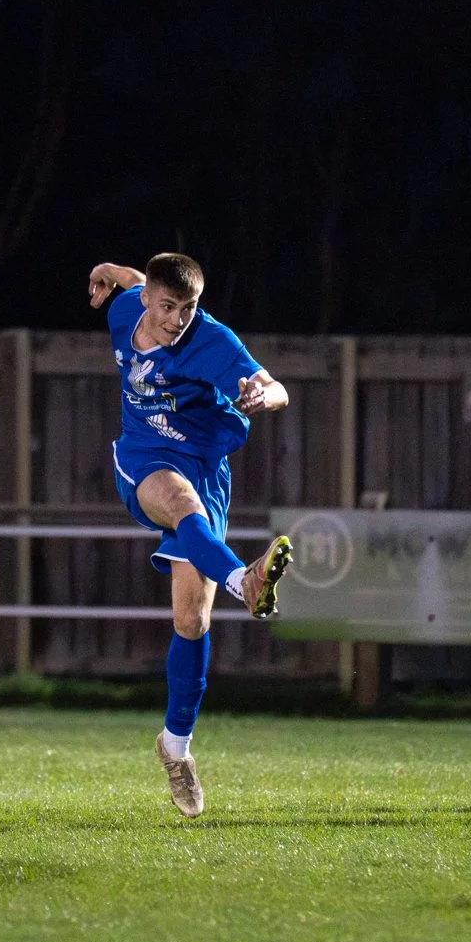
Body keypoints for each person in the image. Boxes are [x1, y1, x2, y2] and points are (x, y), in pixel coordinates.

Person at [87, 253, 294, 817]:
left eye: (189, 308)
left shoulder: (213, 342)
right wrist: (110, 270)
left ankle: (175, 748)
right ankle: (244, 580)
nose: (177, 319)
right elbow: (128, 279)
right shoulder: (126, 309)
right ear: (150, 299)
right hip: (145, 456)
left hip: (204, 465)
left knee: (191, 620)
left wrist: (263, 396)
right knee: (179, 505)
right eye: (168, 306)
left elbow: (275, 387)